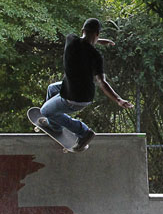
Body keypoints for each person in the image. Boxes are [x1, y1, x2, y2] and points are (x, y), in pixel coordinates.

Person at [38, 18, 133, 151]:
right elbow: (102, 82)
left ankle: (83, 131)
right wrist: (118, 99)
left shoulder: (71, 40)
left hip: (74, 98)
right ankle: (55, 125)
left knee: (45, 111)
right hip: (84, 94)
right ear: (97, 33)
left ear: (82, 31)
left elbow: (84, 40)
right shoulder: (96, 56)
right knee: (52, 89)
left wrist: (99, 41)